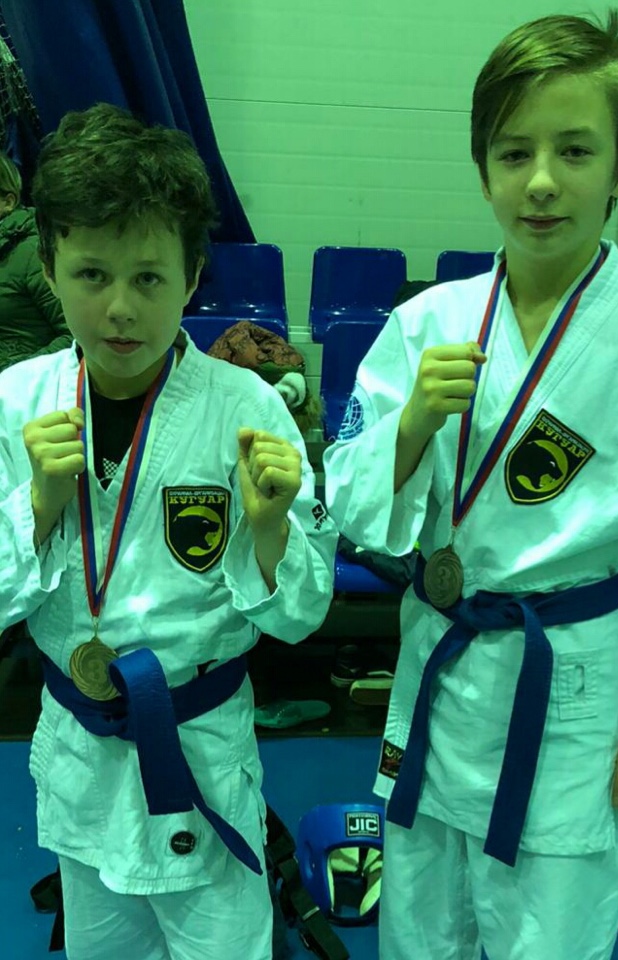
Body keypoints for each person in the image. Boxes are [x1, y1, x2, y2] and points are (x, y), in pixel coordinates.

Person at [323, 10, 618, 960]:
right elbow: (349, 505)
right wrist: (409, 427)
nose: (541, 180)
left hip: (570, 690)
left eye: (574, 150)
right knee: (420, 924)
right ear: (483, 170)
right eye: (514, 153)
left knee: (548, 930)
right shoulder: (426, 323)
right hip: (440, 664)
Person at [0, 103, 336, 960]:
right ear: (50, 266)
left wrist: (268, 530)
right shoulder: (16, 404)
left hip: (201, 749)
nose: (119, 308)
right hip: (80, 751)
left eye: (149, 278)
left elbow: (302, 615)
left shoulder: (246, 409)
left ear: (191, 280)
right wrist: (37, 504)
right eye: (91, 273)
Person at [0, 150, 71, 371]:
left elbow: (76, 336)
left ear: (7, 202)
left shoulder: (32, 253)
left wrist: (16, 375)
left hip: (30, 386)